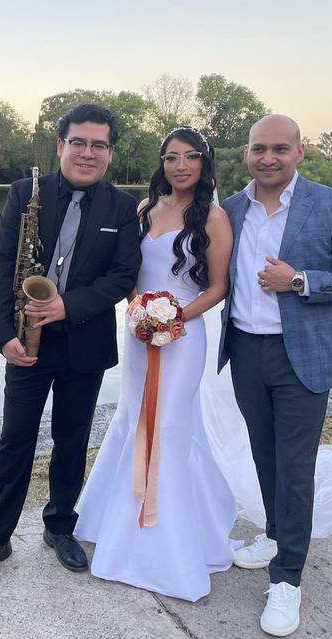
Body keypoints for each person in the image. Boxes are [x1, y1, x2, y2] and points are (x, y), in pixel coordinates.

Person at [0, 104, 142, 586]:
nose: (87, 152)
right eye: (78, 142)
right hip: (26, 341)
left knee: (72, 438)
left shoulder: (124, 209)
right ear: (60, 146)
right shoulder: (25, 194)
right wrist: (3, 335)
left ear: (110, 153)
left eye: (98, 145)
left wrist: (69, 305)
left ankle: (60, 526)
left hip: (84, 341)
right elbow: (3, 261)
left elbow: (124, 276)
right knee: (15, 440)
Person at [219, 115, 332, 636]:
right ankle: (274, 532)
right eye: (259, 149)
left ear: (300, 152)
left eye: (280, 149)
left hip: (301, 357)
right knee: (263, 454)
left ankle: (287, 579)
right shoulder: (230, 210)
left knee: (294, 464)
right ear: (246, 153)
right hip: (244, 350)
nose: (269, 158)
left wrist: (300, 280)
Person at [74, 127, 237, 601]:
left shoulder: (215, 218)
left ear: (204, 164)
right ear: (160, 163)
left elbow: (218, 287)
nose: (179, 166)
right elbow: (129, 273)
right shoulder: (144, 211)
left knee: (167, 427)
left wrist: (173, 318)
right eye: (170, 157)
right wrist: (138, 309)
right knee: (131, 419)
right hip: (140, 331)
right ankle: (115, 524)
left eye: (189, 157)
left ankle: (167, 543)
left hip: (183, 336)